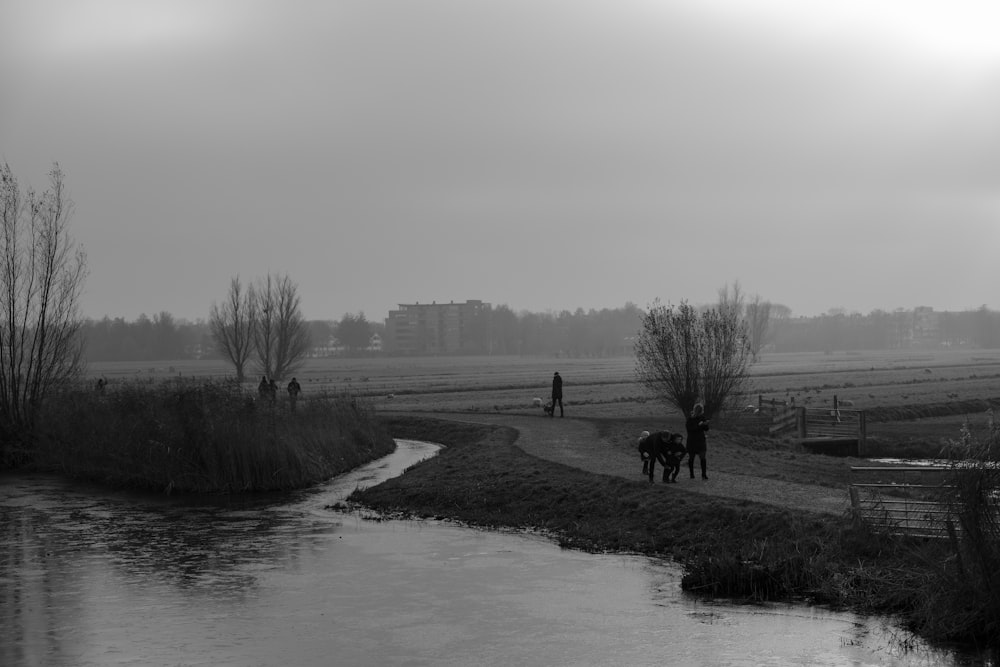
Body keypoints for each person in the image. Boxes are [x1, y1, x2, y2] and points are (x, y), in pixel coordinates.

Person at [686, 403, 710, 480]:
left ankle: (703, 474)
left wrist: (705, 424)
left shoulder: (702, 417)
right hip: (693, 440)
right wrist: (699, 425)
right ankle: (692, 474)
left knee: (701, 457)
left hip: (700, 440)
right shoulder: (690, 419)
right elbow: (690, 429)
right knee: (693, 458)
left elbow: (706, 429)